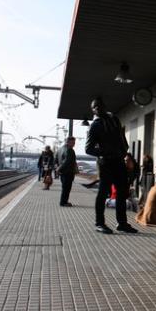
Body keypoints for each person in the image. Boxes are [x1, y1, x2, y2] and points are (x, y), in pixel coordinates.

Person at [85, 97, 138, 234]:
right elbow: (88, 149)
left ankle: (122, 223)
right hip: (105, 163)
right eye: (95, 107)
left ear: (105, 106)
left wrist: (124, 150)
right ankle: (99, 223)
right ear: (93, 110)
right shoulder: (95, 125)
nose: (98, 108)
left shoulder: (114, 119)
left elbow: (121, 137)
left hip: (118, 162)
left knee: (122, 192)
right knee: (103, 193)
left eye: (100, 105)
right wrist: (105, 152)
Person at [57, 137, 78, 207]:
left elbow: (56, 159)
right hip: (68, 172)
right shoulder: (69, 150)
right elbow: (67, 161)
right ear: (68, 142)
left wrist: (58, 168)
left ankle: (63, 201)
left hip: (63, 172)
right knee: (67, 188)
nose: (74, 144)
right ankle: (63, 202)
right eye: (73, 142)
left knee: (64, 187)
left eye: (74, 142)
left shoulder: (60, 149)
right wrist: (59, 169)